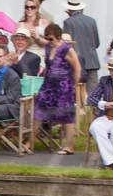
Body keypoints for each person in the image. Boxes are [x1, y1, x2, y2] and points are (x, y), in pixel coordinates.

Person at [33, 23, 81, 152]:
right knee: (38, 111)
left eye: (51, 39)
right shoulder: (48, 47)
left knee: (66, 116)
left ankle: (70, 145)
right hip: (48, 85)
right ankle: (30, 142)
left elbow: (77, 67)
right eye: (47, 38)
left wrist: (75, 83)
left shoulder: (66, 49)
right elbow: (47, 64)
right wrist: (36, 37)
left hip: (64, 86)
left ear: (58, 37)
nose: (49, 41)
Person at [63, 0, 101, 88]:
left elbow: (67, 44)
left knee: (77, 94)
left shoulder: (68, 22)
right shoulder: (92, 21)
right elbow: (96, 43)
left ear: (69, 9)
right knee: (92, 94)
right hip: (92, 62)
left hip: (76, 61)